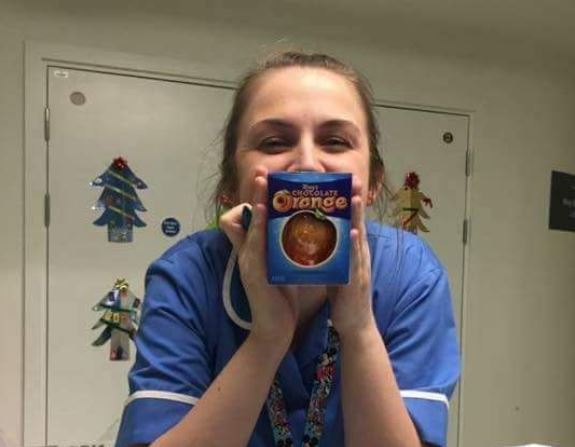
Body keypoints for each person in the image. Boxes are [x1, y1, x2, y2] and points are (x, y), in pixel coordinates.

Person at [115, 50, 460, 447]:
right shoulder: (187, 276)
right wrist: (267, 338)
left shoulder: (410, 273)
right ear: (231, 183)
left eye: (335, 141)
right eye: (275, 141)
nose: (308, 163)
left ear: (374, 181)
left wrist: (360, 328)